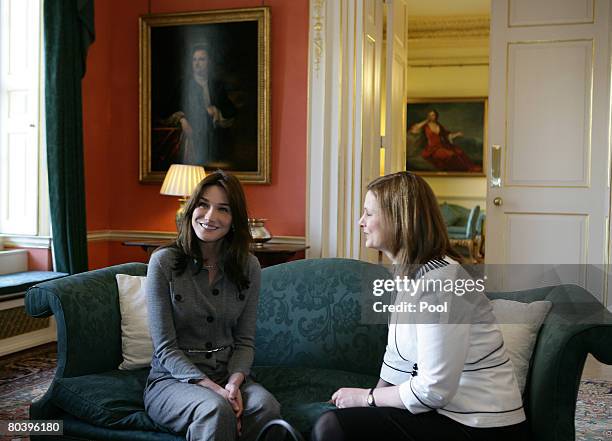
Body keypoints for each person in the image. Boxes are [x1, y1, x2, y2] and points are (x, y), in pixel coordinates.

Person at [311, 171, 529, 441]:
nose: (360, 222)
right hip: (440, 414)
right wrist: (365, 405)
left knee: (331, 427)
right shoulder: (409, 276)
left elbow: (434, 389)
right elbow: (395, 361)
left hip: (480, 425)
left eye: (369, 213)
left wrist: (366, 398)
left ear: (399, 219)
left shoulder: (440, 284)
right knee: (335, 420)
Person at [143, 171, 281, 441]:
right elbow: (165, 348)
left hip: (226, 375)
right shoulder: (163, 262)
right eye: (203, 204)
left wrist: (233, 383)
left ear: (234, 220)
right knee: (215, 410)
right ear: (192, 208)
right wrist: (216, 391)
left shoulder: (249, 266)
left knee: (266, 407)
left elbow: (244, 342)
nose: (209, 216)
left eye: (223, 209)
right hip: (173, 380)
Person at [164, 44, 237, 167]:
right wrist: (182, 119)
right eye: (194, 60)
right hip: (191, 136)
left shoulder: (216, 85)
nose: (197, 63)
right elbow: (168, 109)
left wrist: (217, 111)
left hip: (215, 137)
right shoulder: (184, 84)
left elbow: (231, 110)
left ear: (209, 62)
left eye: (201, 59)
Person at [410, 109, 482, 173]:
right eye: (431, 115)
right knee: (450, 155)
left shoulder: (439, 126)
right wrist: (426, 120)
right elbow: (415, 128)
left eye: (434, 115)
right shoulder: (425, 126)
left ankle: (469, 168)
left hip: (442, 145)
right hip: (433, 148)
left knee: (459, 151)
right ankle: (461, 169)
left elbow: (446, 135)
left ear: (436, 116)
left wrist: (457, 134)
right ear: (428, 116)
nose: (433, 117)